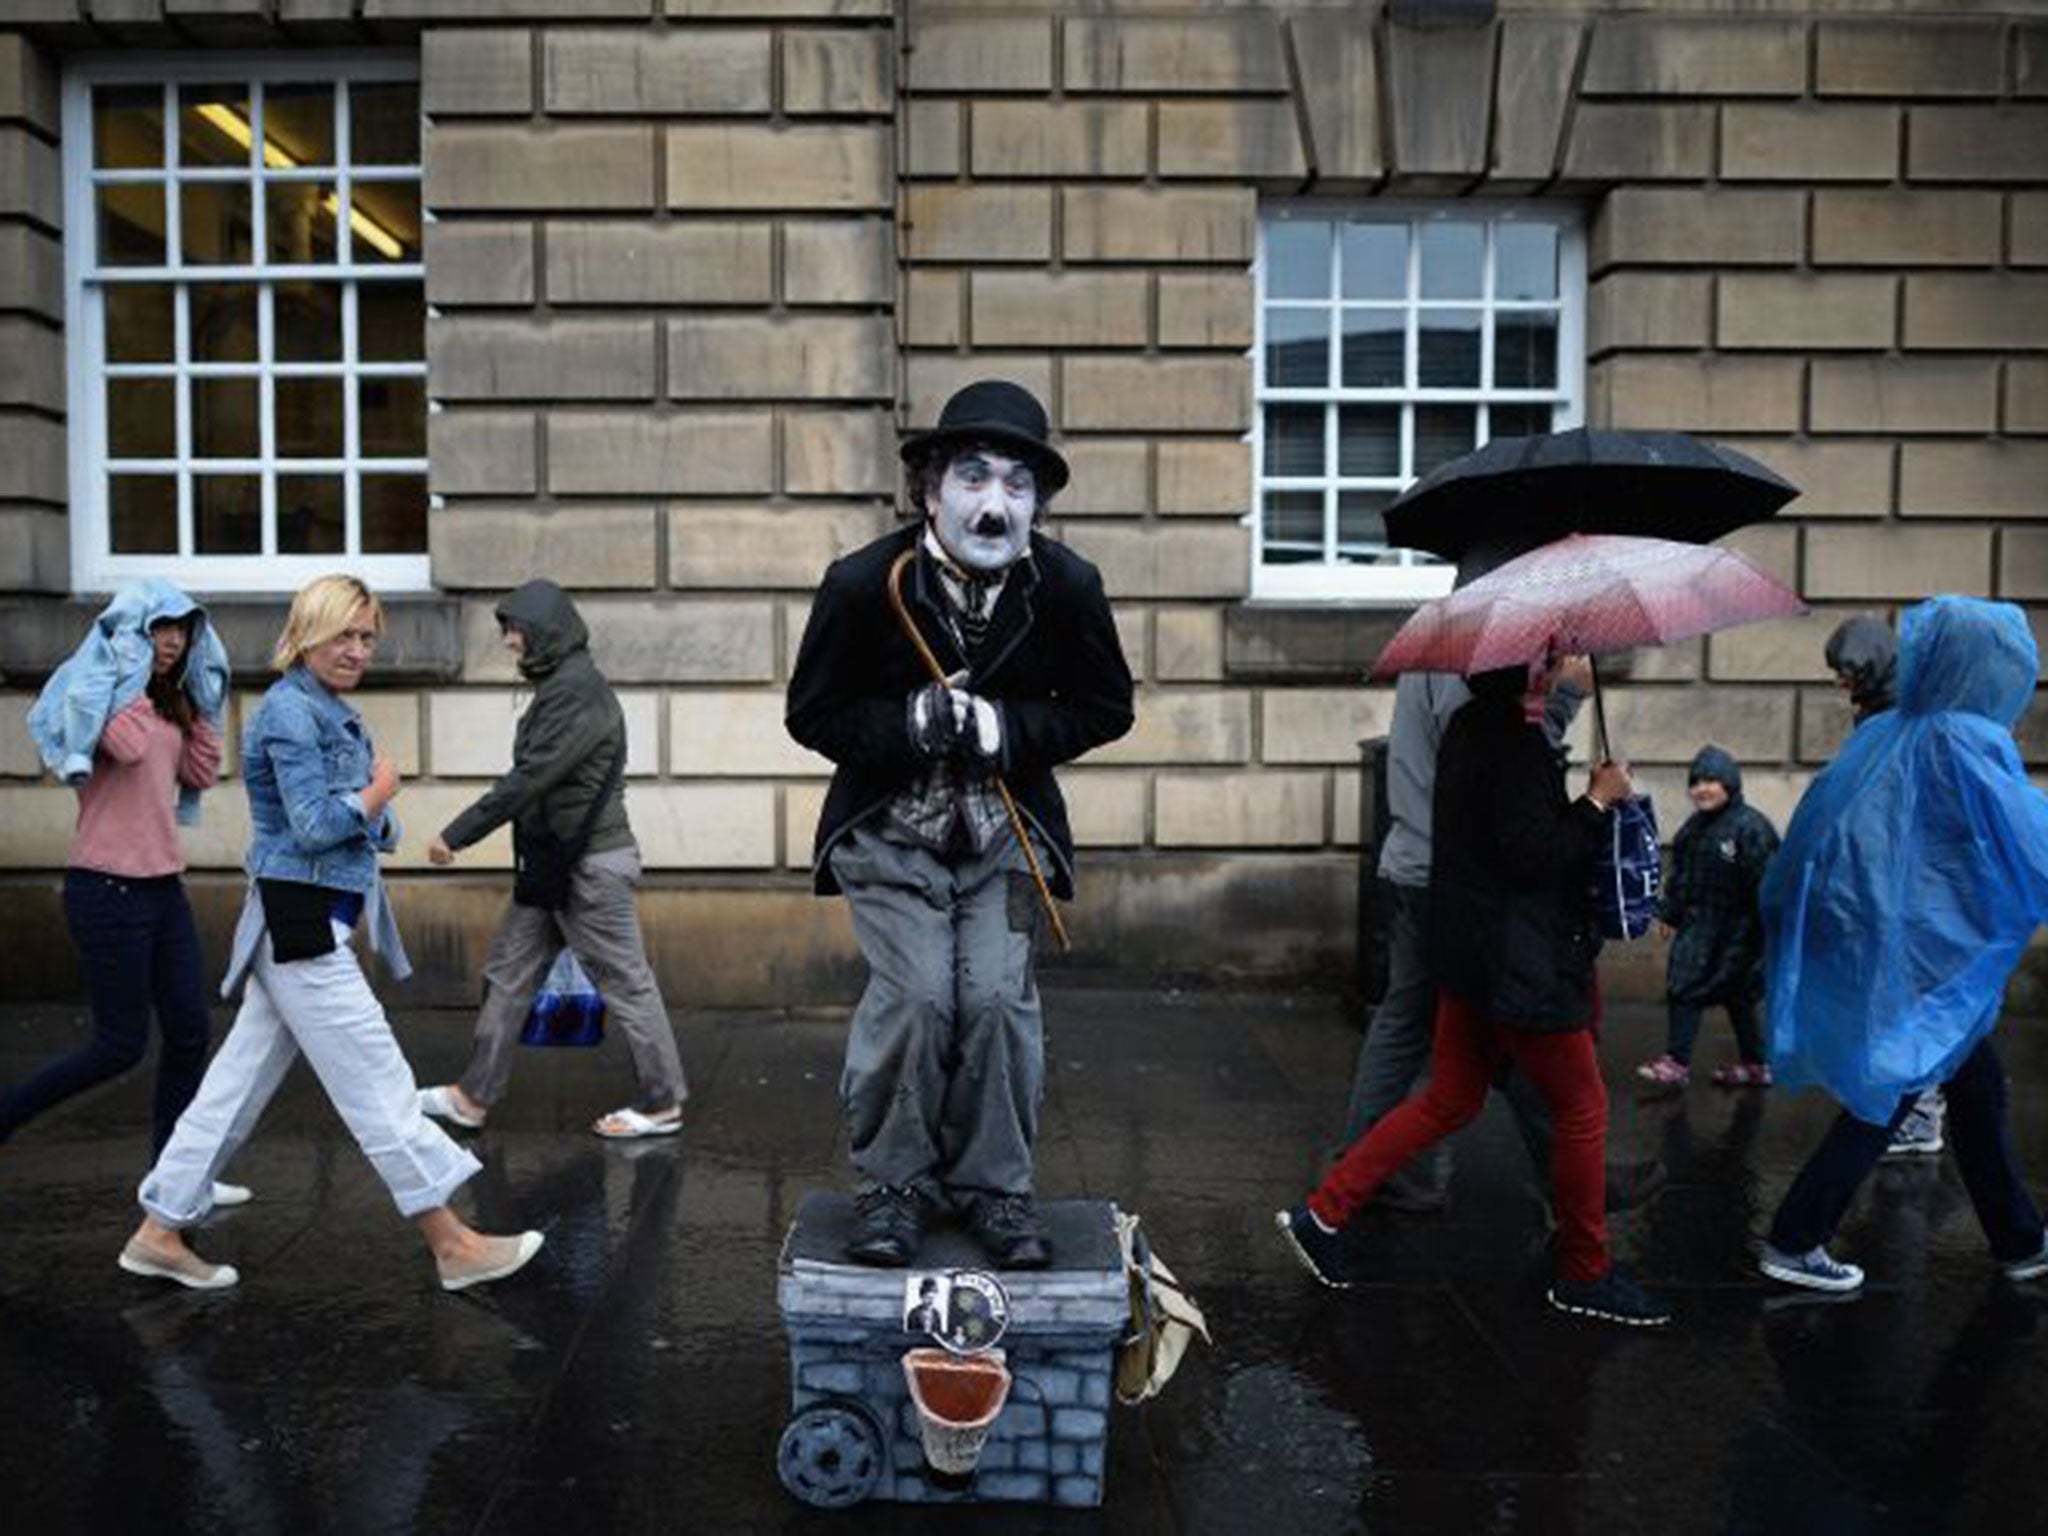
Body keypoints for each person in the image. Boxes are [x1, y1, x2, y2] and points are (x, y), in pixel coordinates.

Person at [786, 379, 1134, 1270]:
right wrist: (906, 724)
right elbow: (814, 714)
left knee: (993, 1004)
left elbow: (1106, 708)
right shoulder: (863, 584)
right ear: (930, 491)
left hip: (1004, 841)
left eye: (1018, 486)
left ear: (1038, 504)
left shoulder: (1067, 587)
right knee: (917, 999)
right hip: (891, 834)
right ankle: (894, 1187)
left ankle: (993, 1191)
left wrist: (1008, 731)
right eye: (974, 479)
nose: (995, 505)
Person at [118, 575, 543, 1293]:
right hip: (300, 925)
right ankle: (453, 1245)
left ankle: (159, 1229)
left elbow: (373, 828)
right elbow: (319, 826)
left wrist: (375, 805)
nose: (356, 649)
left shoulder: (327, 710)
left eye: (366, 636)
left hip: (309, 920)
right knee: (377, 1080)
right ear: (307, 633)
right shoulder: (291, 714)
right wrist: (377, 794)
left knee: (234, 1085)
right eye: (342, 634)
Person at [1278, 654, 1672, 1327]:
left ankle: (1324, 1214)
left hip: (1469, 952)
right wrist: (1596, 802)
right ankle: (1584, 1271)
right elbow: (1530, 853)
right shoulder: (1513, 744)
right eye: (1545, 660)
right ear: (1522, 672)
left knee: (1447, 1099)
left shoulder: (1469, 725)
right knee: (1582, 1107)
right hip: (1517, 961)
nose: (1554, 668)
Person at [1757, 596, 2048, 1293]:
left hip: (1898, 957)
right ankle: (1795, 1238)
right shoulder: (1961, 740)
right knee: (1891, 1091)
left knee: (1974, 1090)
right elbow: (2023, 836)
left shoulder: (1887, 733)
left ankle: (2021, 1240)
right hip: (1926, 966)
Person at [416, 579, 686, 1140]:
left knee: (626, 983)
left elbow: (530, 779)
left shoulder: (576, 691)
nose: (509, 642)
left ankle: (662, 1102)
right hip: (556, 867)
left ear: (544, 631)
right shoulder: (563, 685)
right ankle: (473, 1097)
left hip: (588, 868)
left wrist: (457, 833)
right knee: (508, 974)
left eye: (515, 630)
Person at [6, 582, 246, 1206]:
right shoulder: (105, 703)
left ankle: (174, 1178)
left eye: (182, 632)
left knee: (190, 1033)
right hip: (106, 892)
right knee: (118, 1046)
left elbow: (198, 772)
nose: (172, 642)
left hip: (163, 891)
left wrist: (203, 709)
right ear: (135, 633)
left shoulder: (169, 704)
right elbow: (130, 747)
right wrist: (134, 676)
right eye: (160, 629)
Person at [1344, 612, 1590, 1212]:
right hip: (1451, 874)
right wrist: (1567, 695)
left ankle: (1353, 1172)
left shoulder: (1443, 635)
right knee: (1519, 1026)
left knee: (1413, 1023)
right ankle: (1577, 1182)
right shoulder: (1480, 655)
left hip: (1416, 860)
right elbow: (1503, 754)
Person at [1825, 615, 1943, 1160]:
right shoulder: (1887, 709)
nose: (1838, 682)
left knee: (1906, 1000)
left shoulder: (1898, 716)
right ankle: (1919, 1108)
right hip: (1890, 879)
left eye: (1844, 670)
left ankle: (1919, 1115)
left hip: (1900, 882)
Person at [1635, 745, 1779, 1088]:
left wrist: (1768, 933)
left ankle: (1751, 1063)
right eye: (1696, 781)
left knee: (1738, 995)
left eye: (1711, 780)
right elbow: (1682, 877)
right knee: (1685, 985)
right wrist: (1670, 913)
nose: (1702, 788)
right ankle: (1680, 1060)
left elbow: (1769, 885)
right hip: (1701, 928)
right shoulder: (1693, 830)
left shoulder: (1751, 828)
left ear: (1730, 784)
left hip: (1740, 931)